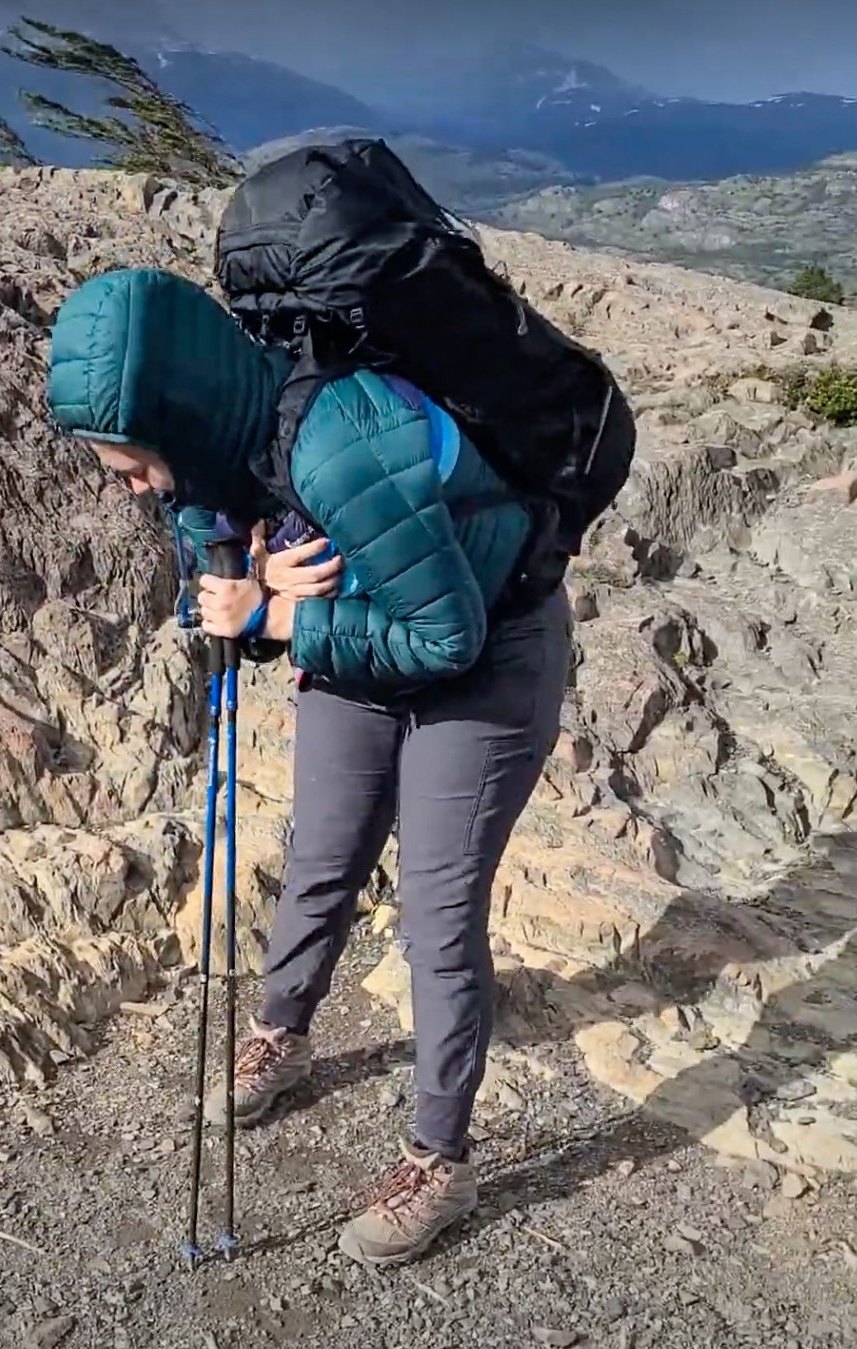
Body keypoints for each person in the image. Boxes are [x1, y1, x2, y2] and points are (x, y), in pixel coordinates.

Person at [48, 266, 573, 1266]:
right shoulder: (202, 447)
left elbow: (445, 638)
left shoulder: (342, 440)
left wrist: (285, 614)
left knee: (435, 909)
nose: (129, 488)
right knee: (322, 853)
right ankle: (280, 1032)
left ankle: (440, 1157)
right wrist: (244, 591)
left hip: (487, 650)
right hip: (365, 636)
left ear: (168, 412)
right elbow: (211, 594)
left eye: (127, 468)